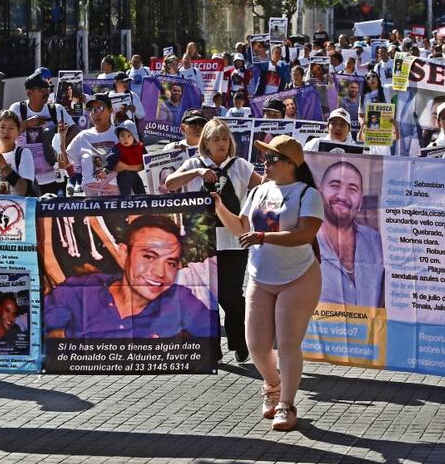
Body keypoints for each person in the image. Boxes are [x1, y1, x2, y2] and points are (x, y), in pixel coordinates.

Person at [212, 135, 324, 432]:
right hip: (261, 276)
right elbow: (241, 226)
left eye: (272, 159)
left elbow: (304, 235)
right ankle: (272, 385)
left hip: (298, 276)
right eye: (266, 158)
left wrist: (263, 237)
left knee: (287, 345)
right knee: (257, 345)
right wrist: (219, 207)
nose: (266, 163)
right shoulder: (260, 190)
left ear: (290, 164)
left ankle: (287, 404)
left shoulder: (307, 194)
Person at [165, 119, 263, 363]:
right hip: (200, 242)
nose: (220, 143)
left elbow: (263, 187)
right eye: (215, 139)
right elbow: (170, 184)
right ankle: (212, 350)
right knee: (204, 297)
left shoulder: (240, 165)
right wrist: (196, 172)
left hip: (233, 240)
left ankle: (239, 342)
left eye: (224, 138)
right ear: (205, 143)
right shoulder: (193, 164)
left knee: (231, 296)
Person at [43, 215, 215, 338]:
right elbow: (32, 333)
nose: (160, 272)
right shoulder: (76, 292)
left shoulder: (181, 299)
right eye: (148, 256)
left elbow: (208, 340)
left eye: (170, 263)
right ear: (124, 253)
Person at [317, 160, 384, 308]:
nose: (342, 196)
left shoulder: (378, 242)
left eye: (352, 189)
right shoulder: (302, 241)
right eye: (335, 185)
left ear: (360, 202)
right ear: (319, 193)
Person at [10, 71, 73, 196]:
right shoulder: (17, 109)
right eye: (41, 89)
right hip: (26, 177)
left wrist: (63, 142)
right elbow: (5, 134)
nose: (46, 92)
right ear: (29, 92)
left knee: (55, 215)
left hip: (54, 177)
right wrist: (26, 124)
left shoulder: (56, 109)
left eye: (47, 89)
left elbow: (75, 132)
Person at [63, 93, 120, 196]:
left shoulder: (121, 134)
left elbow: (137, 165)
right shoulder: (82, 137)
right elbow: (64, 163)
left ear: (110, 110)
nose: (96, 113)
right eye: (92, 110)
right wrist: (62, 137)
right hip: (91, 202)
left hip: (118, 199)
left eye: (100, 108)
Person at [105, 121, 146, 196]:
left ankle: (143, 203)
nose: (125, 139)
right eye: (122, 135)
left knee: (141, 192)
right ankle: (125, 205)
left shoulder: (140, 146)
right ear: (118, 137)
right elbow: (111, 159)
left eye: (129, 135)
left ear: (134, 136)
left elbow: (147, 159)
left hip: (135, 174)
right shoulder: (117, 148)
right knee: (125, 194)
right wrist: (106, 170)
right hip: (122, 175)